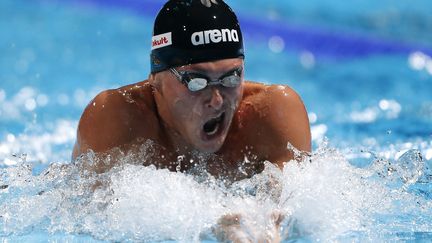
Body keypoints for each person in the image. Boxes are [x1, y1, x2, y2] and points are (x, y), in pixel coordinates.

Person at [72, 0, 311, 181]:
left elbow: (287, 210)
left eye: (231, 78)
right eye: (197, 81)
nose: (217, 101)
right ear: (156, 77)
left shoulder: (272, 115)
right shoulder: (116, 120)